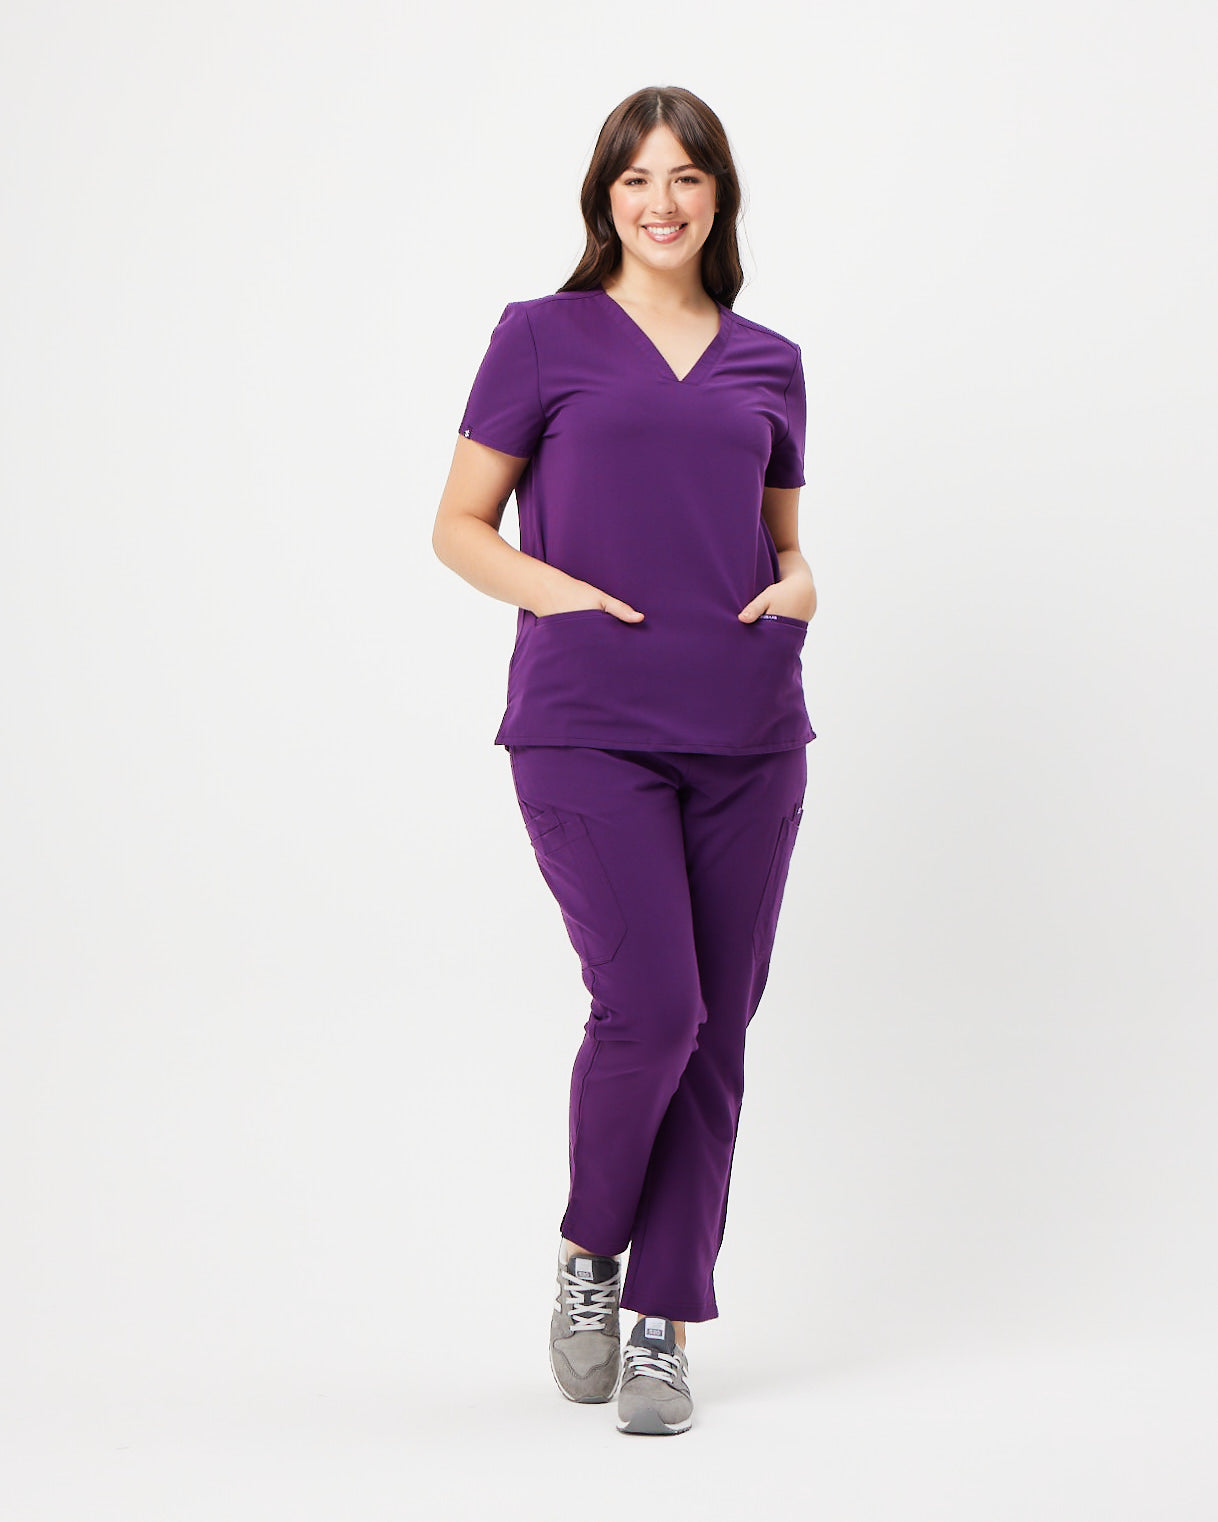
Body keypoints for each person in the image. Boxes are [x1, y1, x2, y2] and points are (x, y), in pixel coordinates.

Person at [431, 84, 817, 1436]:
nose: (662, 201)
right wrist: (567, 600)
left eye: (686, 177)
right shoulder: (541, 336)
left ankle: (663, 1324)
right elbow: (459, 524)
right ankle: (590, 1250)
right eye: (637, 177)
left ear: (718, 197)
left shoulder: (769, 359)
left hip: (748, 729)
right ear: (605, 195)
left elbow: (780, 539)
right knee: (652, 1009)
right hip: (588, 720)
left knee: (717, 1034)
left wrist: (801, 586)